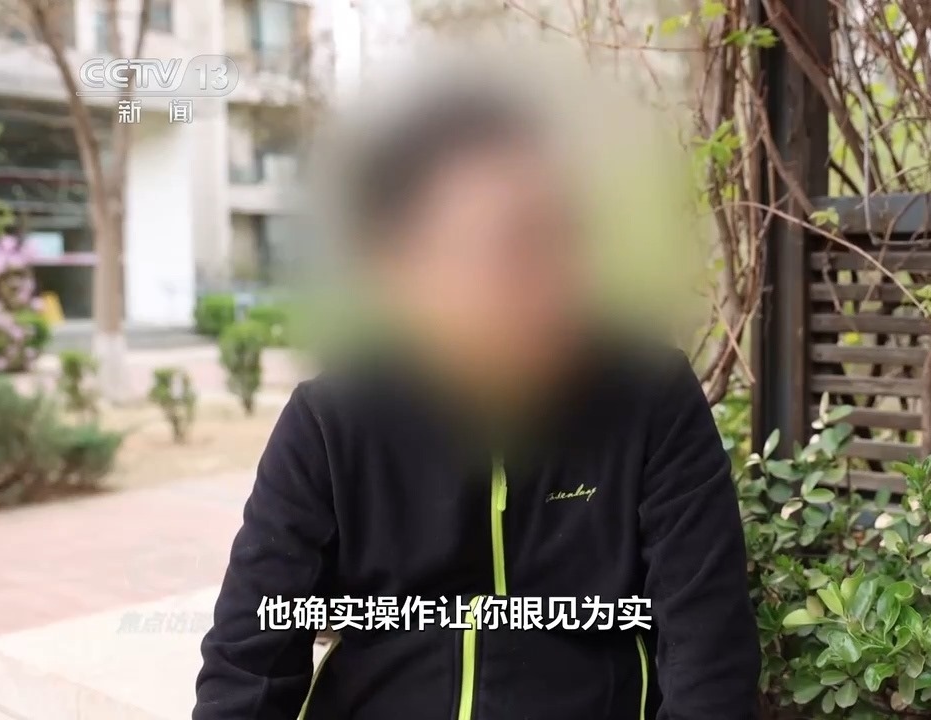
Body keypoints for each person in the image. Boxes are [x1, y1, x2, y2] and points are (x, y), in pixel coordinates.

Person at [191, 81, 760, 720]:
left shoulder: (649, 400)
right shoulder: (333, 423)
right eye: (502, 247)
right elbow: (250, 660)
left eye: (559, 237)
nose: (547, 281)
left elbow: (710, 653)